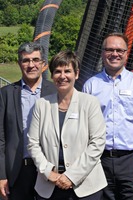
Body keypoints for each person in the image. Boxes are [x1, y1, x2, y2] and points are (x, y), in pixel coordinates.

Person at [82, 32, 133, 200]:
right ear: (102, 53)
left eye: (119, 50)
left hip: (131, 161)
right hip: (99, 160)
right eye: (110, 49)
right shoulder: (91, 86)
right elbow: (82, 129)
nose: (115, 54)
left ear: (127, 53)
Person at [27, 50, 107, 199]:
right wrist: (47, 172)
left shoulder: (90, 103)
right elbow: (33, 143)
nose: (62, 76)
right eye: (57, 71)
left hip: (86, 186)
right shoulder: (41, 105)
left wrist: (71, 176)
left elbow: (97, 143)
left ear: (76, 74)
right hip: (49, 184)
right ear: (52, 76)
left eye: (67, 71)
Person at [0, 42, 56, 200]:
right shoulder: (5, 94)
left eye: (35, 60)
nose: (31, 65)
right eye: (26, 60)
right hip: (16, 172)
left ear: (43, 63)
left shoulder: (55, 92)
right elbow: (1, 139)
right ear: (19, 63)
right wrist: (1, 176)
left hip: (47, 169)